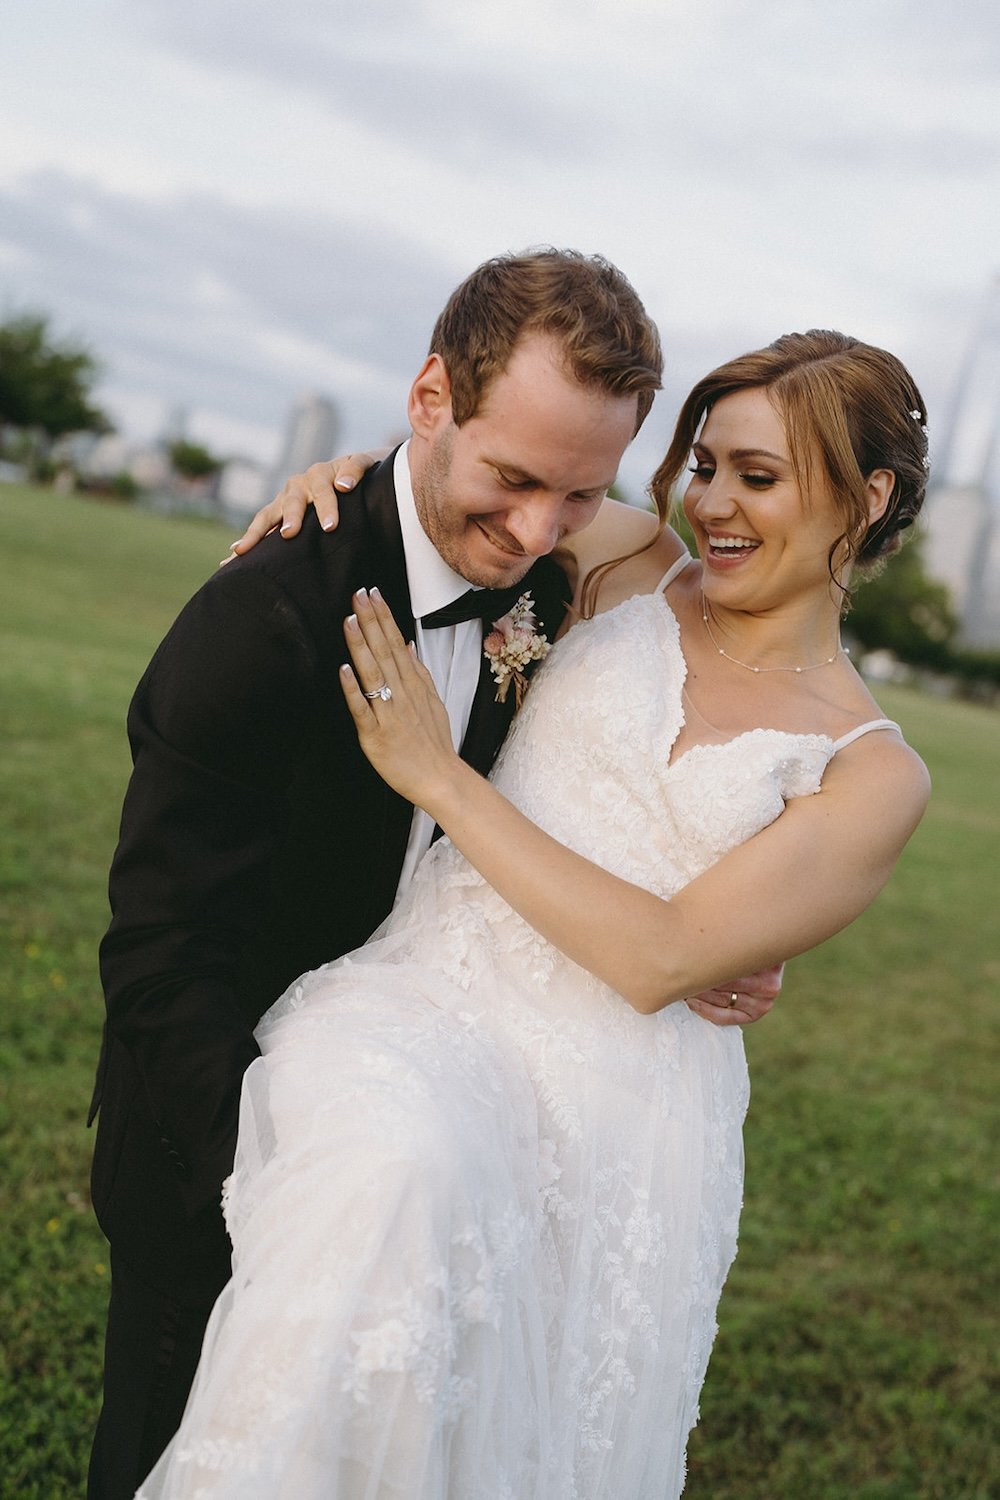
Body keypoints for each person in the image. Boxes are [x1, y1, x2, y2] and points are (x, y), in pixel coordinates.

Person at [134, 329, 929, 1499]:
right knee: (378, 1207)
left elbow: (662, 958)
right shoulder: (631, 564)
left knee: (517, 1436)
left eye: (757, 477)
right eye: (704, 464)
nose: (711, 503)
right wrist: (333, 476)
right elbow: (466, 490)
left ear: (866, 499)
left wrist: (440, 779)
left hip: (620, 1116)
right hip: (424, 999)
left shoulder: (873, 770)